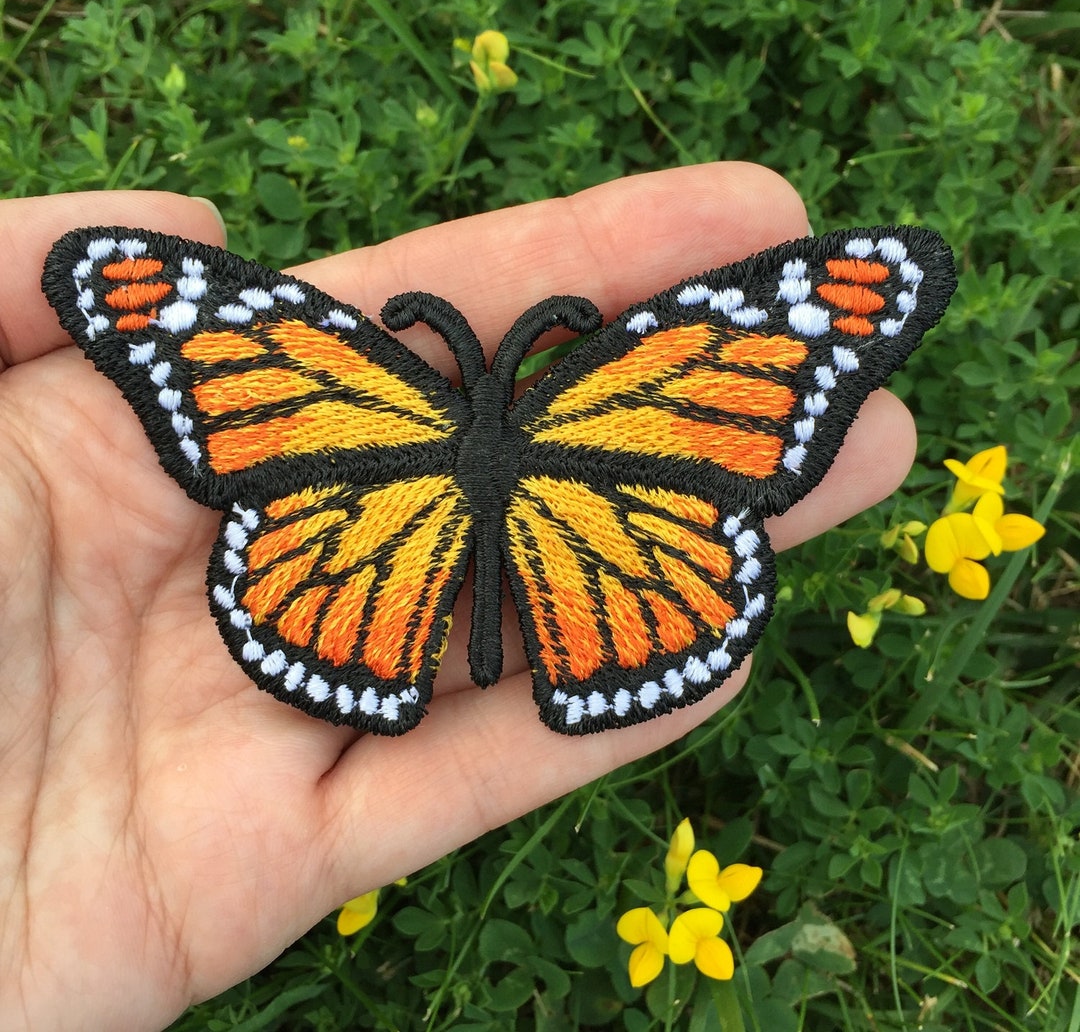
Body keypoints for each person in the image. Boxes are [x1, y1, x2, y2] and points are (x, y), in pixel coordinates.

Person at [0, 163, 920, 1031]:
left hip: (377, 531)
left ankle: (491, 663)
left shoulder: (336, 368)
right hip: (595, 531)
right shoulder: (643, 375)